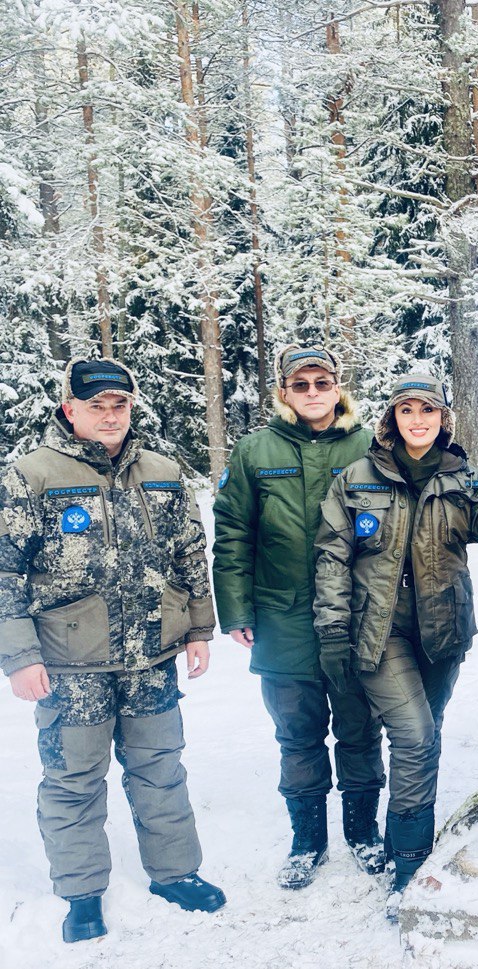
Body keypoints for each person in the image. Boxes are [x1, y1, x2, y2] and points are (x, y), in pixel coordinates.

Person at [0, 358, 226, 944]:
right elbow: (5, 573)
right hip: (68, 663)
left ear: (131, 407)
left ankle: (175, 873)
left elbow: (189, 555)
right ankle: (80, 892)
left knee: (160, 767)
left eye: (118, 405)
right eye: (95, 406)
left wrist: (199, 630)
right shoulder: (31, 475)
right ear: (69, 409)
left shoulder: (161, 471)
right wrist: (20, 657)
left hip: (151, 654)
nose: (108, 416)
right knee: (74, 777)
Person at [312, 372, 478, 915]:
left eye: (428, 411)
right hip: (379, 630)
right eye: (407, 411)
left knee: (428, 732)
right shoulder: (357, 477)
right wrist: (333, 628)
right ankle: (410, 864)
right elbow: (332, 556)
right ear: (391, 419)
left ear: (443, 419)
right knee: (416, 736)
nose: (417, 420)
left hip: (442, 629)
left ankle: (403, 833)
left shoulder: (463, 478)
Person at [212, 344, 385, 890]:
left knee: (360, 731)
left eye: (322, 382)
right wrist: (235, 608)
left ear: (339, 387)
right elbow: (233, 534)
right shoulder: (255, 450)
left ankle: (362, 833)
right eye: (301, 384)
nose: (313, 392)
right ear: (283, 391)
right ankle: (306, 840)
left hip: (357, 617)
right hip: (282, 618)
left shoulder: (371, 446)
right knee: (298, 735)